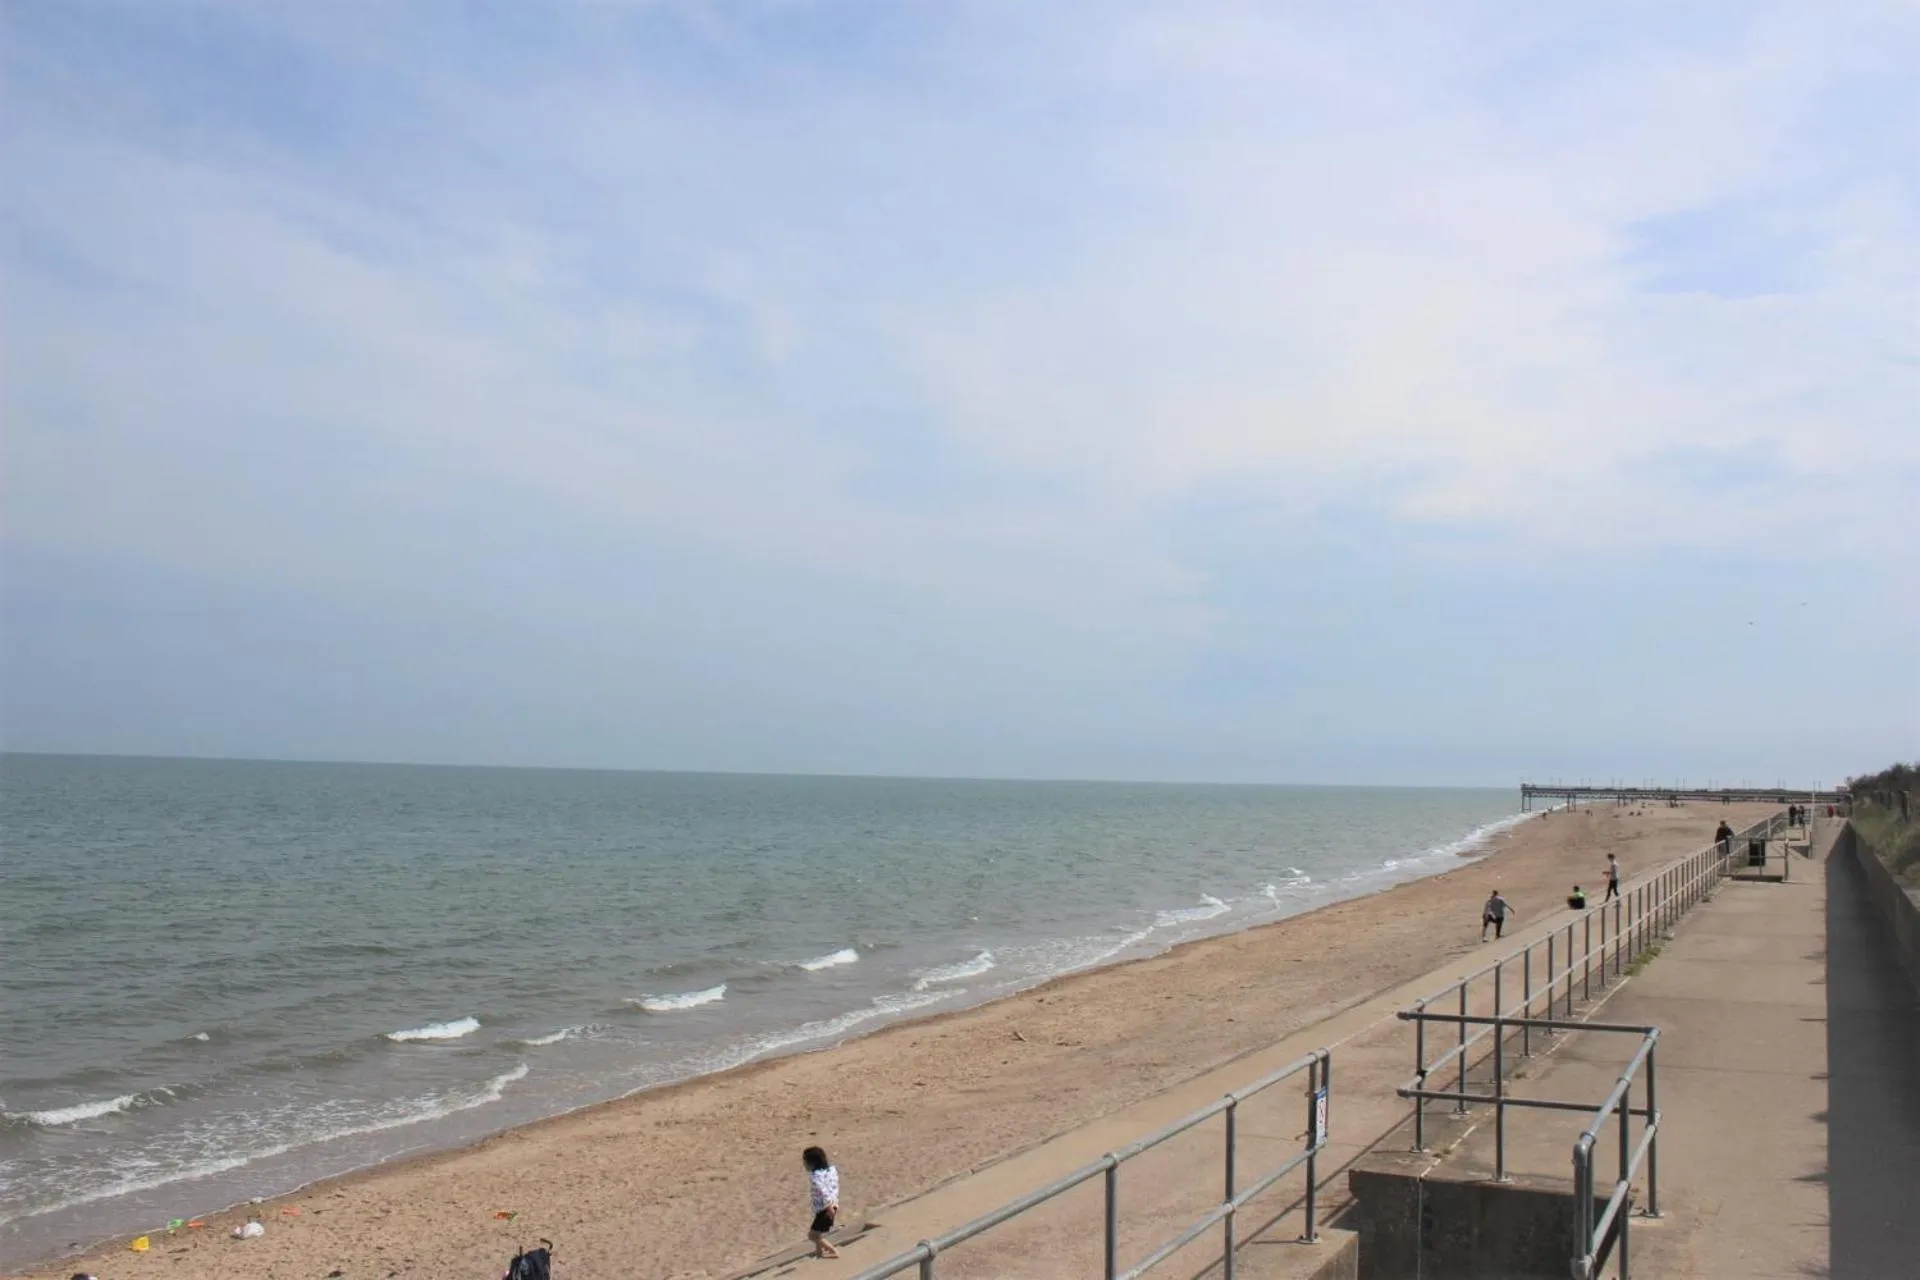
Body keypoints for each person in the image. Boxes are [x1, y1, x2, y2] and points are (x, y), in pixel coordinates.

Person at [803, 1145, 841, 1259]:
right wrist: (833, 1204)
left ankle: (834, 1251)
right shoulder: (832, 1170)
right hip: (832, 1205)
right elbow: (834, 1187)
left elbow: (822, 1191)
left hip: (826, 1208)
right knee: (818, 1233)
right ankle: (819, 1254)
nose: (804, 1164)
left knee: (813, 1235)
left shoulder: (815, 1176)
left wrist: (829, 1206)